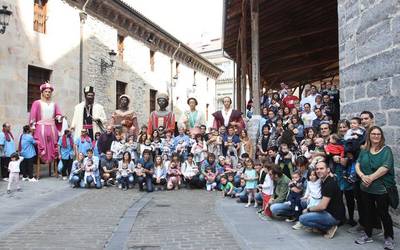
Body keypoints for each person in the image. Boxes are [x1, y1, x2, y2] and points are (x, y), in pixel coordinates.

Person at [354, 126, 395, 249]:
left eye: (378, 134)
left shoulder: (386, 150)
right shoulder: (364, 150)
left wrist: (370, 178)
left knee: (383, 213)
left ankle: (389, 237)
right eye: (373, 134)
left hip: (381, 188)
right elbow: (357, 164)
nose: (376, 136)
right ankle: (368, 234)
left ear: (381, 136)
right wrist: (362, 176)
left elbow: (386, 167)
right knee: (367, 212)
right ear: (369, 136)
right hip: (366, 188)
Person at [299, 161, 346, 239]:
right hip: (328, 211)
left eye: (321, 168)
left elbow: (322, 206)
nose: (318, 171)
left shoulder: (329, 184)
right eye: (317, 169)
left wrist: (308, 209)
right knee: (304, 204)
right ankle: (321, 227)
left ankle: (329, 227)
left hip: (334, 216)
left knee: (302, 219)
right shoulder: (324, 180)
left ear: (328, 170)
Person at [29, 82, 63, 164]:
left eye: (49, 92)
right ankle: (42, 158)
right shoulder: (37, 103)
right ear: (42, 92)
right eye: (46, 91)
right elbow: (32, 116)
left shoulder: (54, 104)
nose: (47, 93)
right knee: (42, 145)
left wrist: (60, 118)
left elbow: (58, 114)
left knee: (53, 145)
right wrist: (33, 126)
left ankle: (52, 160)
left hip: (52, 128)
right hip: (40, 127)